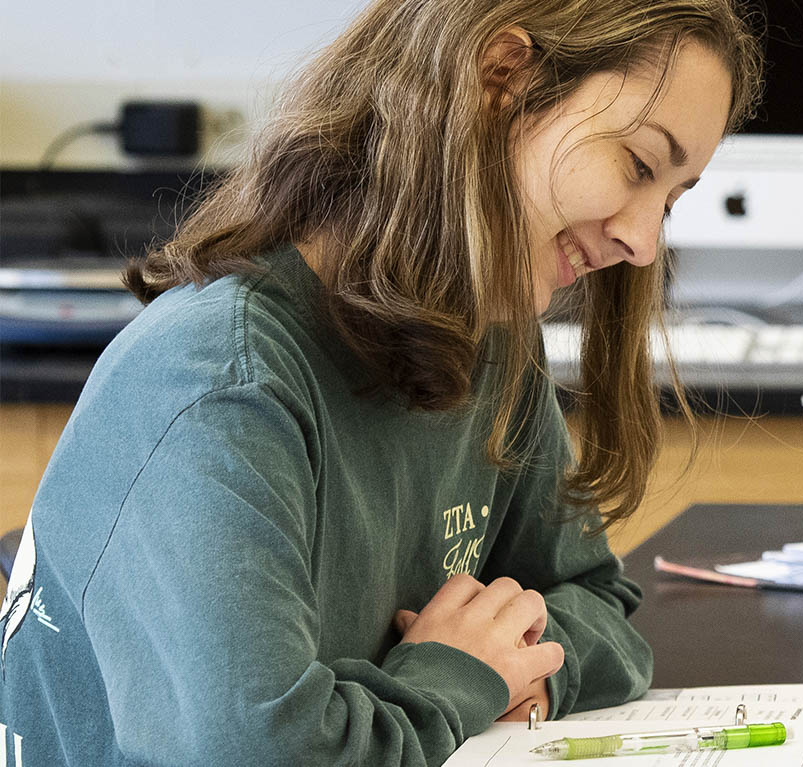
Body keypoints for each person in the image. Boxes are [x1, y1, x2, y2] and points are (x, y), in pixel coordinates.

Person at [0, 1, 763, 764]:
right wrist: (463, 674)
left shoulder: (489, 339)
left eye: (670, 198)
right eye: (637, 165)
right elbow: (268, 754)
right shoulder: (221, 385)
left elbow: (599, 611)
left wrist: (518, 660)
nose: (640, 240)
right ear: (500, 78)